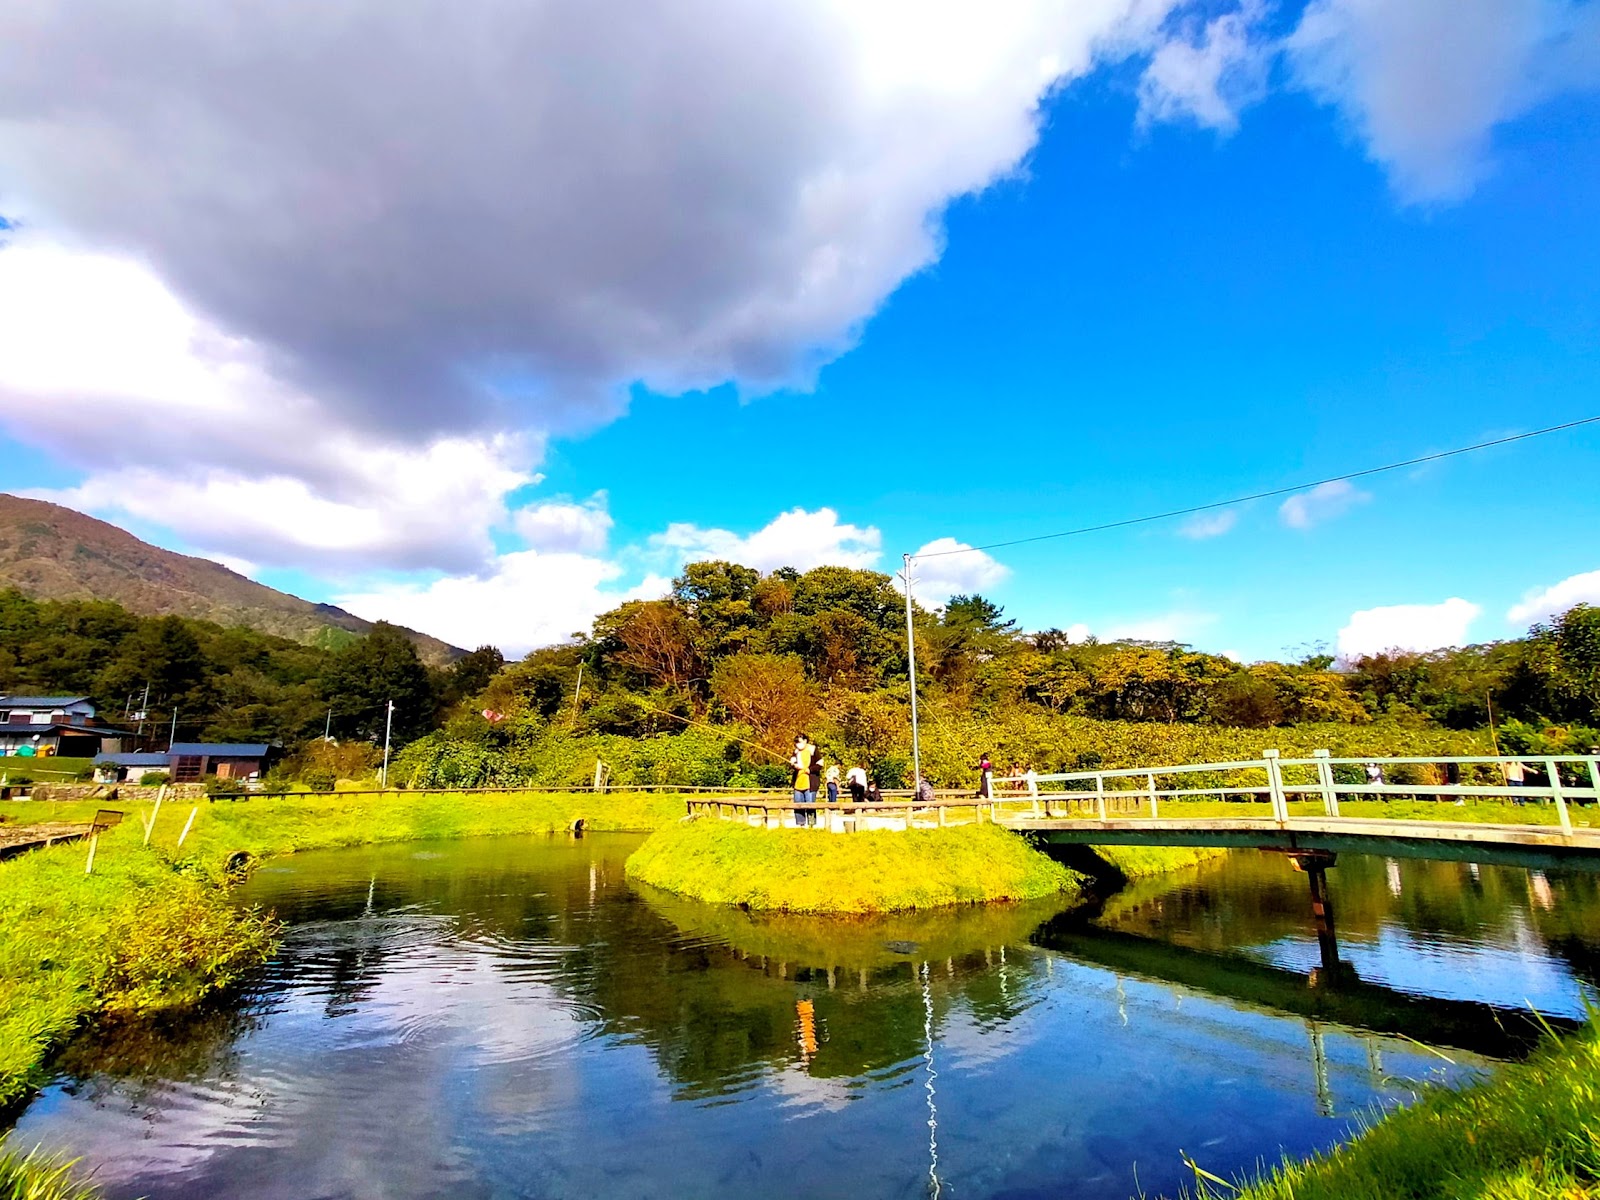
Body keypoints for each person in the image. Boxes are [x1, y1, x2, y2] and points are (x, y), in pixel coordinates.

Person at [790, 735, 817, 827]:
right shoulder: (796, 752)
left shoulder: (813, 750)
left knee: (810, 805)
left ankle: (811, 824)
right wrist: (794, 765)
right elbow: (792, 761)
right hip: (798, 781)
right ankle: (800, 824)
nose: (798, 744)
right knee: (798, 803)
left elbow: (819, 764)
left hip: (810, 782)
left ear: (805, 741)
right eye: (796, 743)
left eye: (800, 742)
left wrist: (810, 770)